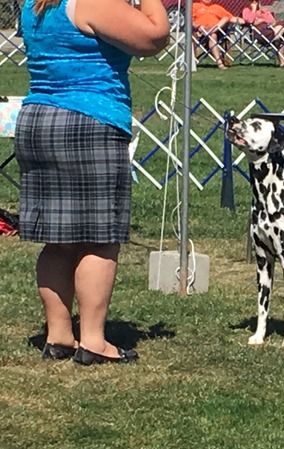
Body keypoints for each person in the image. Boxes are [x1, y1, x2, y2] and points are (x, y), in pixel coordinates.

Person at [16, 0, 169, 364]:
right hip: (89, 122)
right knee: (99, 239)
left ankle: (58, 335)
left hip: (38, 120)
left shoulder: (33, 4)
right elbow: (154, 37)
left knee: (58, 241)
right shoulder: (91, 2)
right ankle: (94, 341)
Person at [193, 0, 245, 69]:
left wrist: (246, 20)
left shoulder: (217, 7)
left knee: (225, 19)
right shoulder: (194, 6)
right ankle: (219, 63)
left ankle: (211, 31)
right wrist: (198, 26)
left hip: (217, 31)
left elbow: (232, 18)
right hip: (201, 32)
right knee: (212, 35)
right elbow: (190, 20)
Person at [241, 0, 284, 68]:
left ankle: (276, 38)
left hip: (271, 30)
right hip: (258, 33)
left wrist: (262, 20)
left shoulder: (263, 11)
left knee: (281, 24)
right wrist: (254, 10)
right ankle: (276, 39)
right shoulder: (246, 10)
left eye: (256, 0)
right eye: (252, 1)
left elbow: (272, 21)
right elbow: (250, 21)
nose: (254, 2)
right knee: (278, 39)